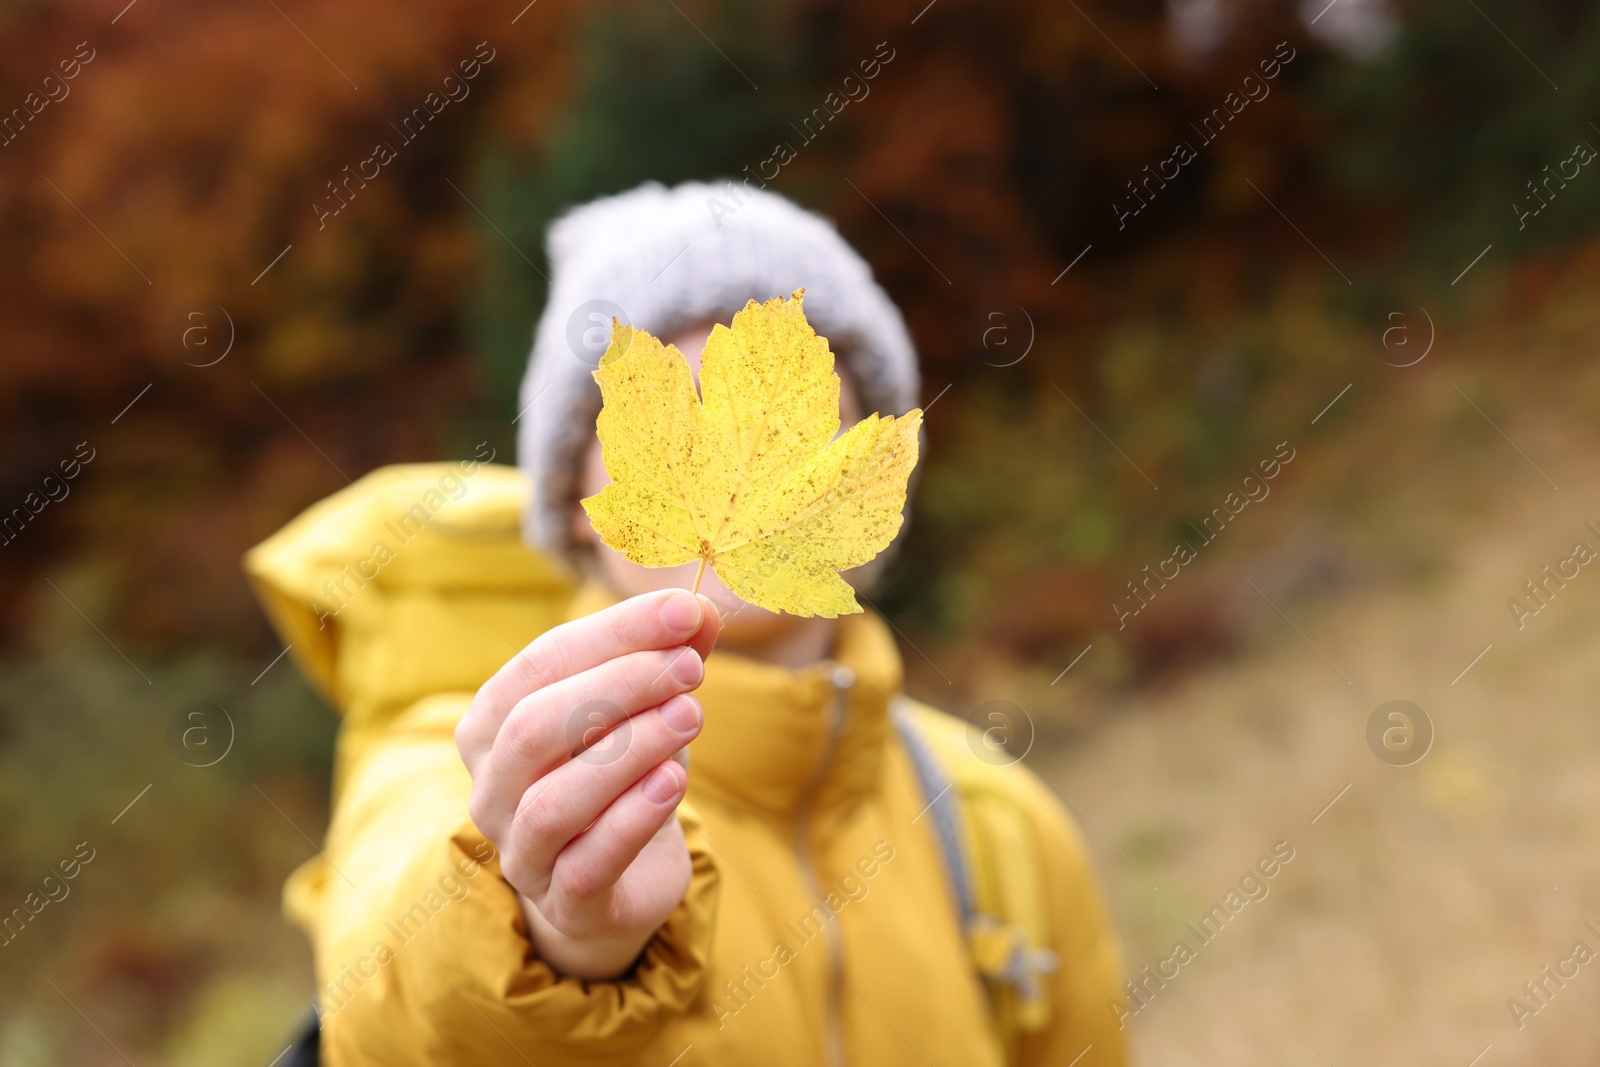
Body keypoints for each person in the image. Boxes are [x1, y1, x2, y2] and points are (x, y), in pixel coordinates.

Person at [246, 181, 1127, 1066]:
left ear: (875, 476)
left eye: (817, 411)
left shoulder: (991, 818)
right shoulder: (464, 759)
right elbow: (391, 1011)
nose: (737, 455)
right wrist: (560, 935)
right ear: (579, 499)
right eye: (676, 414)